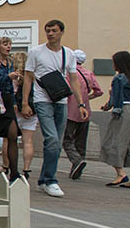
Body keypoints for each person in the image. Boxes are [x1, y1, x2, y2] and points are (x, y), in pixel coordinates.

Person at [21, 19, 88, 198]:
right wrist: (25, 102)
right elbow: (28, 77)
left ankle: (44, 179)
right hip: (42, 99)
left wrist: (81, 103)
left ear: (61, 32)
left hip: (61, 100)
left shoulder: (69, 54)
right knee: (51, 139)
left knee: (56, 144)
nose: (50, 33)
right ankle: (51, 180)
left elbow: (73, 78)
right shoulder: (36, 52)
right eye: (48, 30)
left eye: (54, 30)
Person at [100, 51, 130, 188]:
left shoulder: (119, 78)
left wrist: (110, 106)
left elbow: (117, 97)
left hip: (123, 111)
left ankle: (120, 173)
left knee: (114, 141)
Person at [63, 49, 102, 180]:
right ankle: (78, 164)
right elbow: (98, 91)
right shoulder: (89, 73)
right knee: (81, 140)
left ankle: (76, 160)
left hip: (70, 110)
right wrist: (86, 98)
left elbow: (67, 89)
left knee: (67, 139)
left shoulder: (69, 73)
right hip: (85, 110)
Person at [0, 37, 20, 182]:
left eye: (10, 44)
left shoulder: (11, 62)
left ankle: (14, 172)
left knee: (13, 135)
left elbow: (10, 86)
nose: (8, 47)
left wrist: (14, 102)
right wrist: (8, 76)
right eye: (5, 44)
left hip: (7, 100)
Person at [11, 51, 37, 179]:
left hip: (15, 111)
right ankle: (26, 168)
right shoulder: (32, 76)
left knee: (10, 141)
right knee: (28, 141)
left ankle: (8, 166)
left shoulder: (14, 76)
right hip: (31, 111)